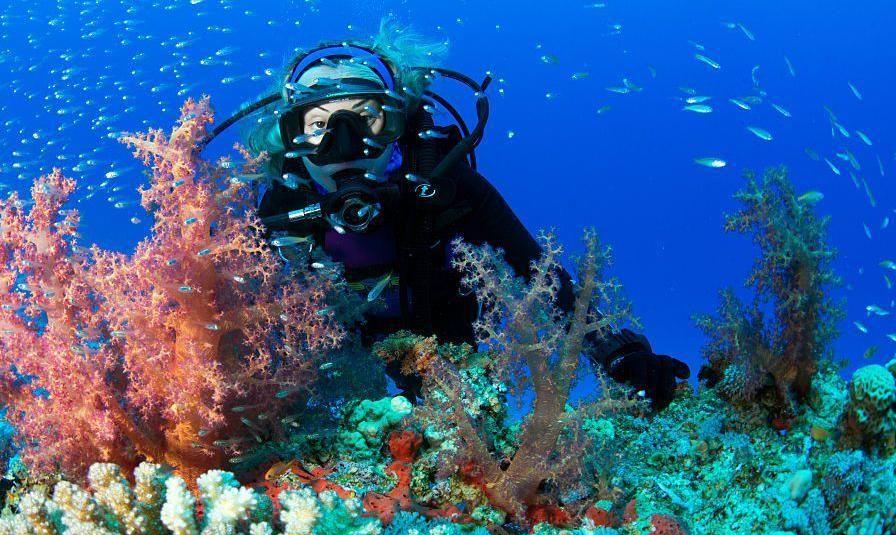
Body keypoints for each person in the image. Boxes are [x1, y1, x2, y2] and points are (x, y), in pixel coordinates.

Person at [219, 21, 689, 410]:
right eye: (319, 125)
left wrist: (615, 351)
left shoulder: (446, 184)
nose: (345, 145)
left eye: (366, 119)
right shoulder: (278, 211)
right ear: (288, 138)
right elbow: (221, 311)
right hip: (335, 366)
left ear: (398, 123)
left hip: (446, 348)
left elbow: (537, 270)